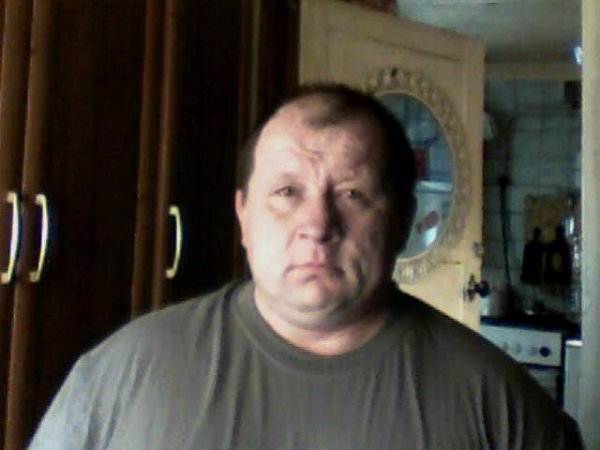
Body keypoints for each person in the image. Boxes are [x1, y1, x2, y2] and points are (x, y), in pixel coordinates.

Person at [29, 84, 582, 449]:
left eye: (352, 194)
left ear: (403, 222)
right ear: (243, 216)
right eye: (287, 192)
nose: (317, 224)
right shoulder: (119, 374)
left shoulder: (500, 407)